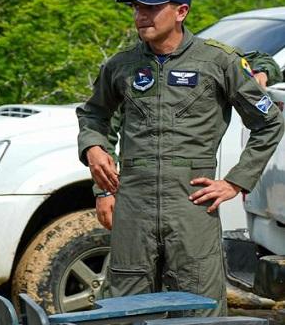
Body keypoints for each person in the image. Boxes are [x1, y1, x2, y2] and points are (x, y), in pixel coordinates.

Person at [77, 0, 284, 314]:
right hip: (134, 204)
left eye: (151, 8)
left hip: (191, 201)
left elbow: (268, 123)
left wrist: (235, 181)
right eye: (136, 8)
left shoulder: (219, 62)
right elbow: (94, 115)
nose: (141, 16)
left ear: (181, 11)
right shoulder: (121, 65)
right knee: (123, 307)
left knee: (198, 300)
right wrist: (94, 150)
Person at [94, 52, 281, 230]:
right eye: (141, 15)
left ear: (179, 16)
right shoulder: (126, 66)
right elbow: (103, 127)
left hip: (190, 199)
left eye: (154, 15)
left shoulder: (209, 58)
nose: (142, 19)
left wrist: (261, 71)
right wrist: (104, 191)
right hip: (138, 196)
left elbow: (259, 60)